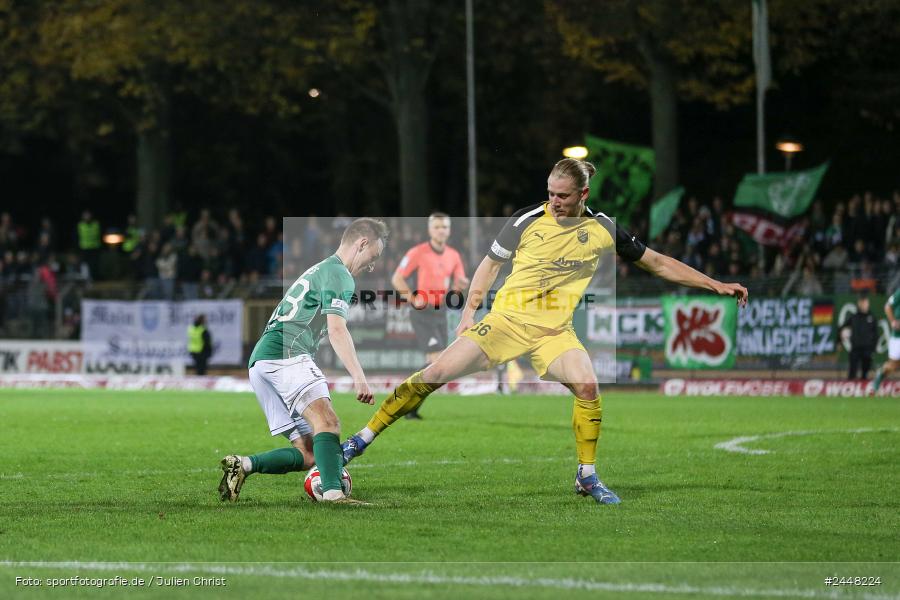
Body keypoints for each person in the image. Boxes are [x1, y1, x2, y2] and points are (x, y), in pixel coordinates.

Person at [341, 159, 748, 505]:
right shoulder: (527, 220)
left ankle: (587, 475)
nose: (554, 201)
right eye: (551, 193)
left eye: (563, 196)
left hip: (555, 332)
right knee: (431, 376)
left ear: (583, 195)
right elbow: (488, 266)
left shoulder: (604, 229)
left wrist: (715, 284)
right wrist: (468, 314)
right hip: (504, 323)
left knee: (588, 386)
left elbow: (657, 263)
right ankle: (359, 441)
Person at [218, 218, 388, 505]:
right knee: (328, 422)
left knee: (309, 453)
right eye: (373, 257)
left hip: (261, 361)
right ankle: (334, 495)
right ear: (362, 243)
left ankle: (244, 465)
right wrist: (359, 376)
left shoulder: (320, 269)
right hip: (286, 354)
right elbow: (337, 329)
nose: (372, 266)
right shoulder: (339, 274)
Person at [391, 212, 468, 419]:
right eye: (437, 227)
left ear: (449, 230)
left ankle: (410, 406)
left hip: (440, 312)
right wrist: (412, 298)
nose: (441, 231)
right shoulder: (418, 252)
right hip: (422, 312)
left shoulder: (454, 255)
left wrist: (459, 287)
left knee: (440, 366)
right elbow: (397, 278)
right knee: (436, 362)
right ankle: (404, 398)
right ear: (430, 230)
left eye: (444, 227)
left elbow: (456, 288)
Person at [840, 295, 879, 380]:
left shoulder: (872, 317)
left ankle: (863, 388)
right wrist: (841, 335)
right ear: (859, 304)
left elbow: (876, 334)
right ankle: (849, 388)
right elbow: (843, 327)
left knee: (865, 372)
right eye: (863, 303)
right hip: (855, 348)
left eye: (866, 303)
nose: (865, 305)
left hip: (867, 349)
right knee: (852, 371)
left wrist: (873, 348)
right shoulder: (854, 317)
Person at [873, 288, 900, 391]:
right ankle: (881, 373)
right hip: (898, 337)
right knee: (892, 366)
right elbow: (888, 306)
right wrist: (893, 321)